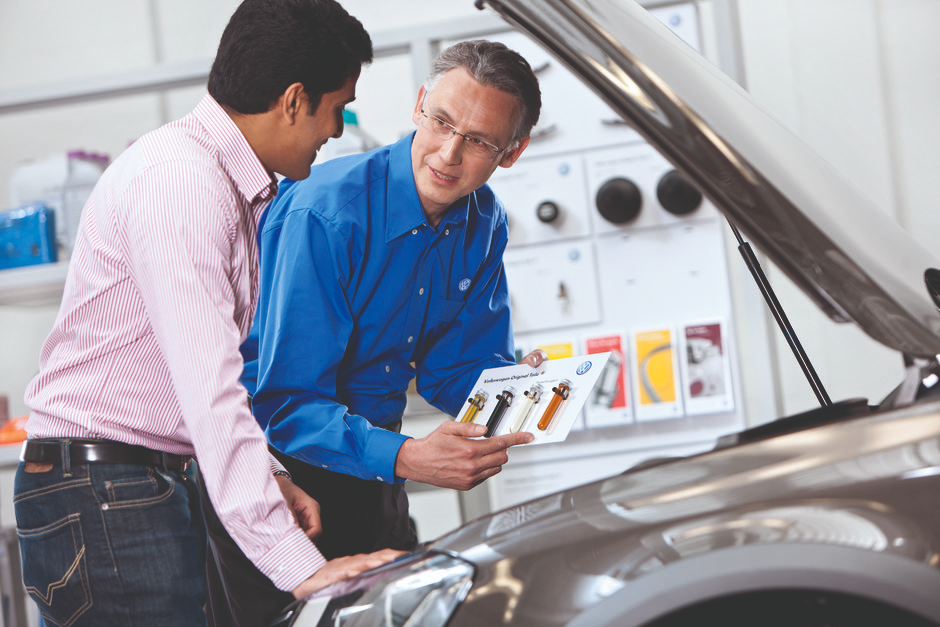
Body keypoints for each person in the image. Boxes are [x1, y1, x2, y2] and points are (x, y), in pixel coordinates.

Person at [13, 1, 401, 625]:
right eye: (337, 108)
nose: (335, 130)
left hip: (132, 485)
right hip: (106, 492)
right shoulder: (181, 183)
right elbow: (208, 385)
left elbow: (201, 385)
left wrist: (267, 475)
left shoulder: (218, 181)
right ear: (295, 99)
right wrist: (302, 567)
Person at [202, 38, 545, 624]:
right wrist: (411, 456)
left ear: (510, 153)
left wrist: (518, 394)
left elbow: (455, 369)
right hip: (282, 482)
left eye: (480, 141)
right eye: (441, 122)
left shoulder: (482, 222)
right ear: (419, 105)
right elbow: (284, 401)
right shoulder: (326, 213)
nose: (448, 152)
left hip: (375, 472)